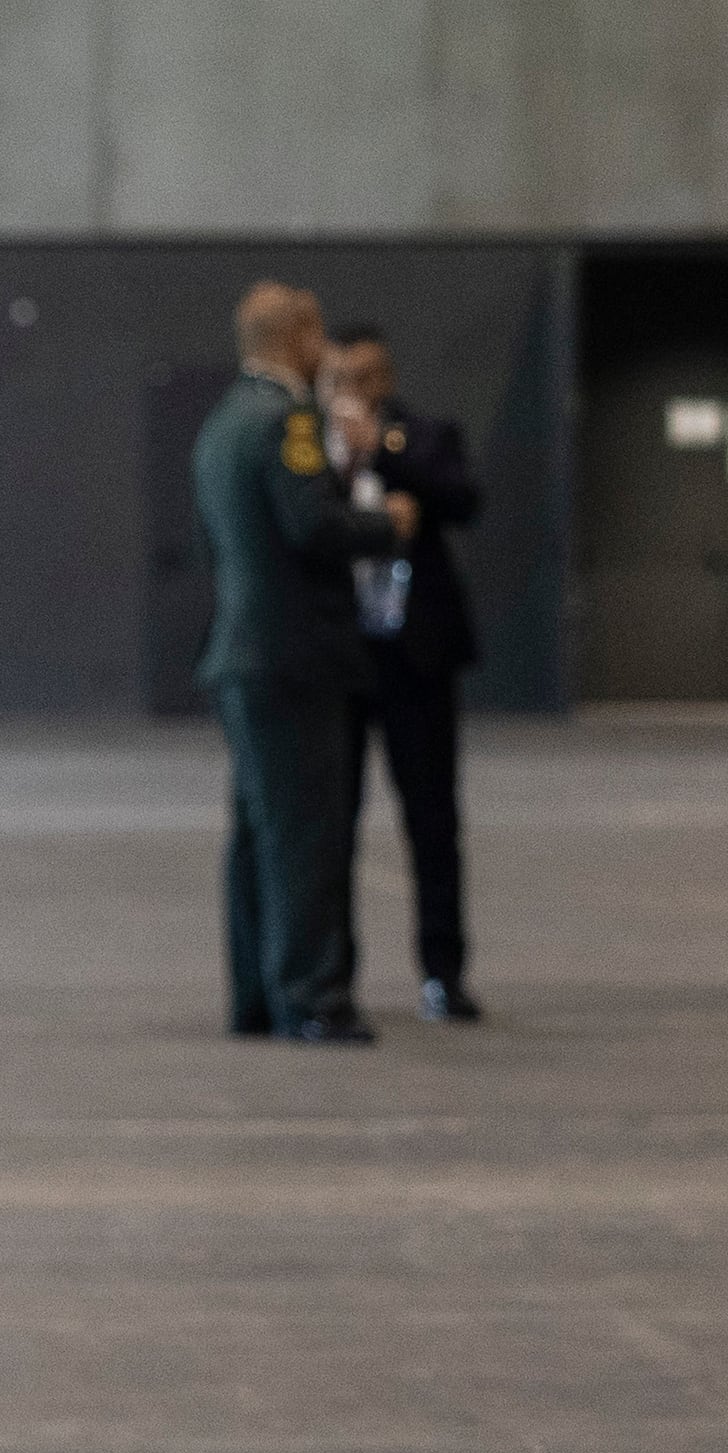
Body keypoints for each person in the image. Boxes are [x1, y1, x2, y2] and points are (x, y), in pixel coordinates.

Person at [196, 280, 411, 1044]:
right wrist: (386, 523)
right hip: (295, 658)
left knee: (258, 832)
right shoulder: (285, 419)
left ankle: (257, 993)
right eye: (317, 335)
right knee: (306, 833)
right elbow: (311, 527)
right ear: (300, 336)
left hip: (245, 655)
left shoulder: (224, 422)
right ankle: (313, 994)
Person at [320, 329, 485, 1025]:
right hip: (342, 656)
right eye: (346, 376)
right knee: (333, 823)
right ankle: (332, 978)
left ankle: (443, 973)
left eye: (369, 375)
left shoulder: (423, 435)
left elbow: (463, 498)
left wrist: (383, 445)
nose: (360, 387)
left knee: (433, 820)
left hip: (414, 655)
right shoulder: (310, 447)